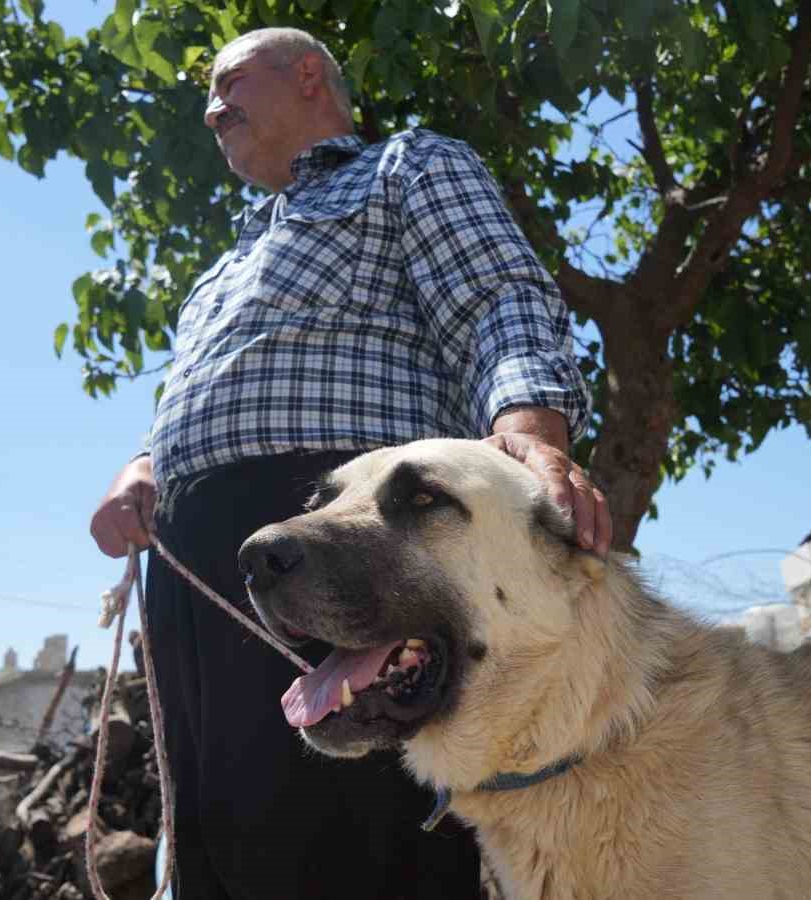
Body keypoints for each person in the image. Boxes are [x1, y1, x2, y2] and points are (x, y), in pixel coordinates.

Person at [88, 27, 611, 900]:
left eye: (228, 83)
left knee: (348, 838)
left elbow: (498, 298)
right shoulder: (219, 272)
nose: (211, 109)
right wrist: (143, 465)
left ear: (306, 76)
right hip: (195, 566)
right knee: (217, 831)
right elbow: (193, 394)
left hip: (359, 539)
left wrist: (529, 429)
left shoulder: (408, 166)